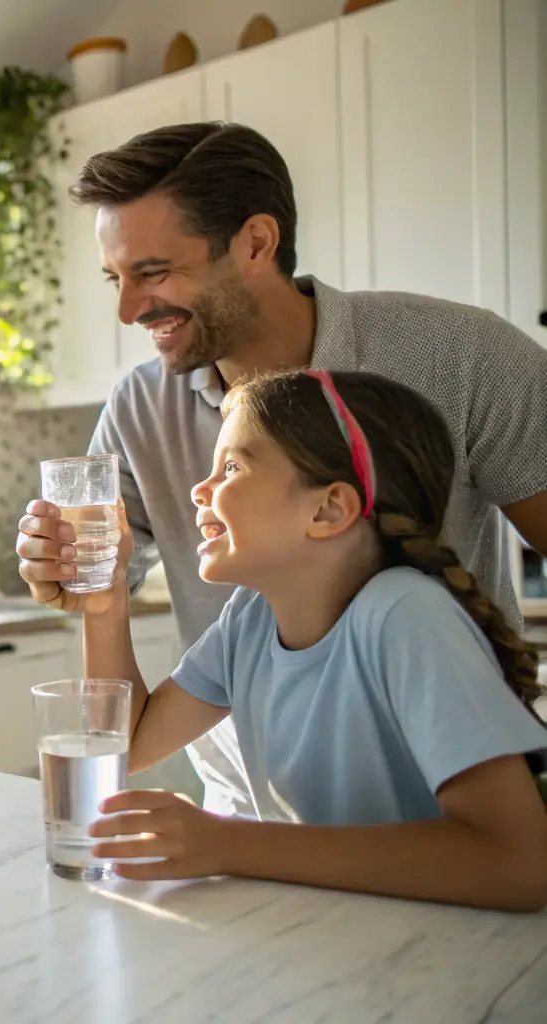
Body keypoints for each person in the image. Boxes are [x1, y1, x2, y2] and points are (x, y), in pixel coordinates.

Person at [53, 121, 547, 818]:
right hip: (250, 817)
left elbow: (508, 861)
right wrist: (71, 571)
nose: (128, 309)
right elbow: (95, 580)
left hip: (440, 817)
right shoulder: (244, 616)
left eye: (154, 272)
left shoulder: (458, 355)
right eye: (116, 278)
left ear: (255, 242)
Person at [18, 369, 547, 911]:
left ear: (327, 510)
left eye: (231, 467)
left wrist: (227, 842)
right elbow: (127, 744)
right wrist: (106, 605)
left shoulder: (405, 615)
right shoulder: (250, 620)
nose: (200, 490)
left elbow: (518, 863)